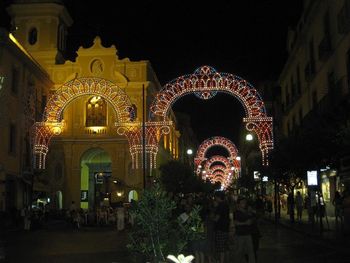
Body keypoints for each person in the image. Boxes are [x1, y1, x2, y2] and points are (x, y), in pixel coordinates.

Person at [234, 196, 256, 263]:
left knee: (250, 251)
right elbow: (236, 223)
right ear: (238, 204)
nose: (244, 204)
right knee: (239, 251)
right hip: (240, 234)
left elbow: (254, 218)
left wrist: (252, 217)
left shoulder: (248, 211)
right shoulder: (237, 212)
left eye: (245, 202)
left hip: (248, 233)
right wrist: (245, 223)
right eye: (242, 202)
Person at [213, 191, 230, 263]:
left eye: (215, 197)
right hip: (226, 228)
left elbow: (216, 218)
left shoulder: (220, 206)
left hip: (220, 229)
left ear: (218, 197)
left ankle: (221, 261)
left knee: (221, 248)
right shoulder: (226, 204)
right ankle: (227, 260)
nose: (214, 198)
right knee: (225, 246)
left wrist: (212, 218)